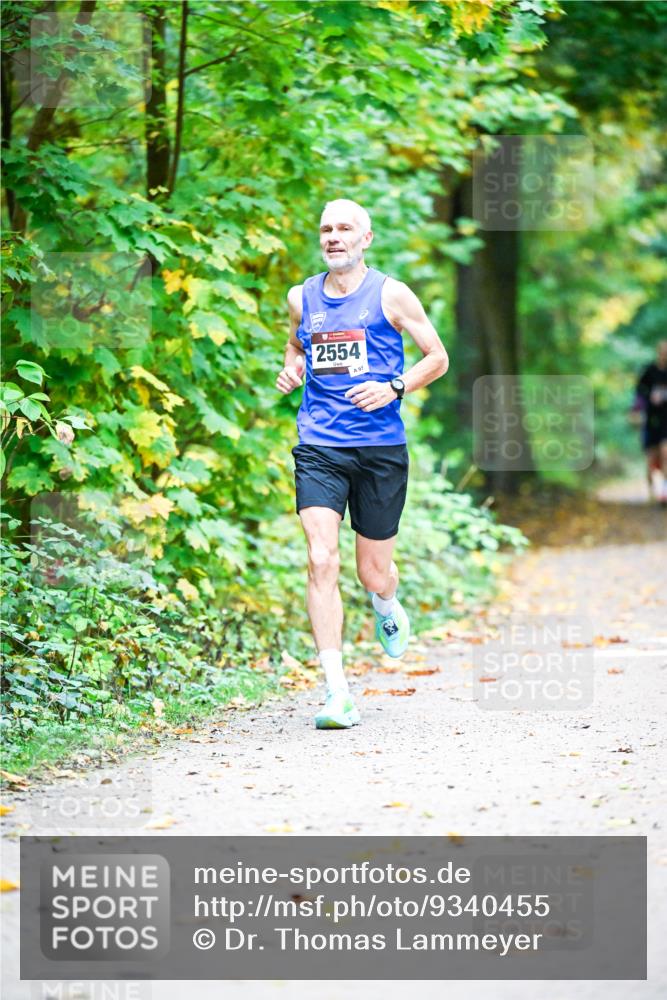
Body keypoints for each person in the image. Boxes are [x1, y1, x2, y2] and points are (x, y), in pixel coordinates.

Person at [276, 199, 448, 730]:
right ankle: (336, 692)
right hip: (319, 445)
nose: (333, 236)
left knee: (372, 571)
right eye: (326, 228)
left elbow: (436, 357)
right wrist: (292, 369)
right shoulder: (300, 298)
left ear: (365, 238)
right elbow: (295, 348)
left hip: (379, 450)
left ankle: (386, 601)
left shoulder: (391, 294)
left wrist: (394, 386)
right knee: (321, 559)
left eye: (344, 228)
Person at [634, 340, 667, 505]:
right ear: (658, 352)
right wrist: (649, 398)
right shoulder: (650, 370)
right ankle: (652, 492)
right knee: (651, 458)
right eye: (663, 351)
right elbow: (639, 391)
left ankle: (665, 492)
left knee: (666, 452)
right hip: (652, 420)